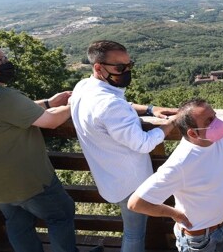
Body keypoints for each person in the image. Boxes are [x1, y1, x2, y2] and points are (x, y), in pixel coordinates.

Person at [69, 40, 177, 252]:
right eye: (120, 67)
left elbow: (120, 108)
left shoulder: (83, 87)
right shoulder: (109, 104)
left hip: (110, 176)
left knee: (132, 230)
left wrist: (150, 109)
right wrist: (173, 122)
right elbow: (143, 143)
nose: (126, 71)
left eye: (130, 65)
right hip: (131, 181)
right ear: (98, 67)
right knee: (135, 234)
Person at [127, 98, 223, 252]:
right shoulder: (180, 164)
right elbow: (136, 203)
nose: (217, 122)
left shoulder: (217, 135)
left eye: (215, 116)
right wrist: (174, 214)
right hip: (198, 240)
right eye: (209, 121)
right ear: (192, 133)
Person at [0, 45, 78, 252]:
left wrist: (48, 102)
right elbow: (50, 122)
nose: (7, 63)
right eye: (0, 61)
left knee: (17, 224)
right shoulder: (3, 97)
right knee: (61, 215)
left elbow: (19, 111)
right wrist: (74, 104)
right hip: (30, 181)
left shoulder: (3, 101)